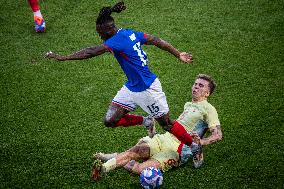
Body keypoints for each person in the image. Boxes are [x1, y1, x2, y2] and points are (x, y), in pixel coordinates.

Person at [46, 1, 200, 159]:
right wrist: (178, 53)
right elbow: (156, 40)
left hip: (148, 89)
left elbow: (90, 52)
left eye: (101, 33)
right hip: (132, 87)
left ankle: (194, 145)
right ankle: (146, 121)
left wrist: (63, 58)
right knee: (110, 120)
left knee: (167, 124)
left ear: (109, 29)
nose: (100, 36)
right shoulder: (129, 33)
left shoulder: (115, 41)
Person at [91, 74, 223, 181]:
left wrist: (201, 142)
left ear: (207, 93)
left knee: (140, 169)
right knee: (133, 153)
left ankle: (115, 157)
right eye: (195, 84)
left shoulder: (209, 109)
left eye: (201, 86)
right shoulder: (189, 104)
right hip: (163, 139)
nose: (195, 87)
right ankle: (103, 168)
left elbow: (218, 135)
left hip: (177, 150)